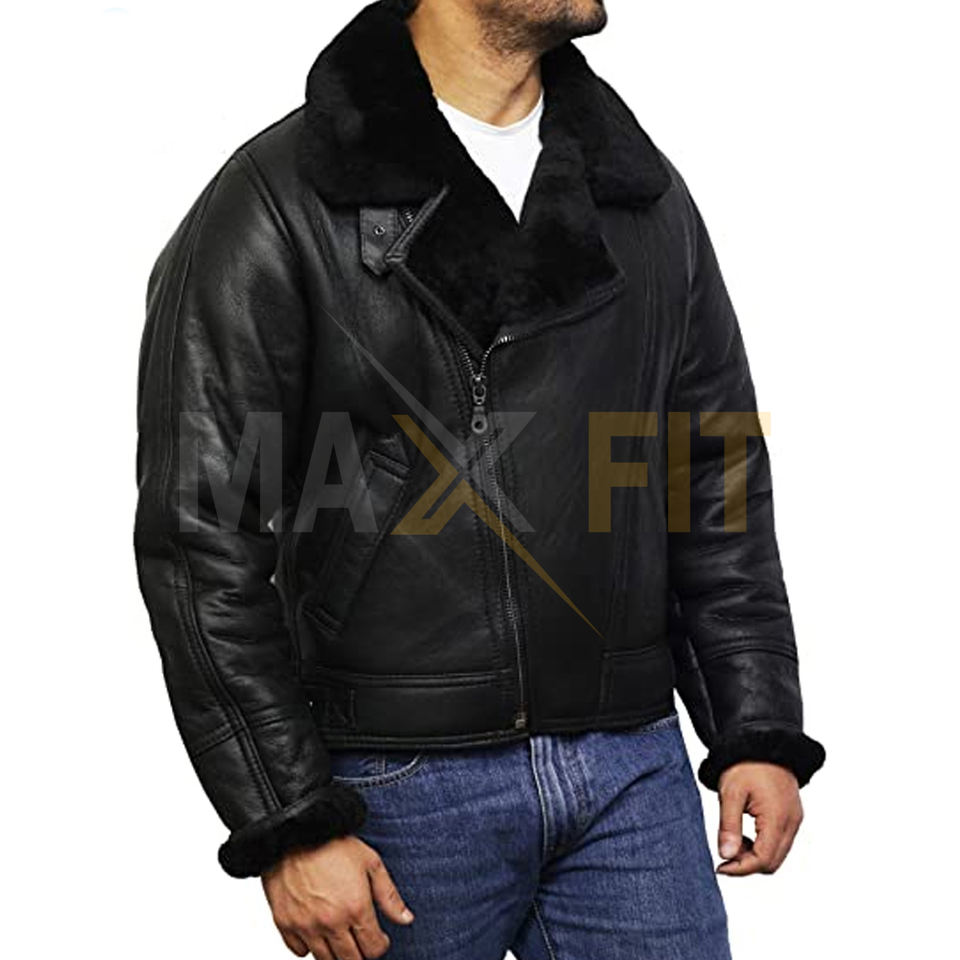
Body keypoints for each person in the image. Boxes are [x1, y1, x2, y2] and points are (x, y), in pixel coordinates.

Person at [134, 1, 826, 957]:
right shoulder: (281, 198)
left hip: (632, 770)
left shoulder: (639, 193)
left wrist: (754, 724)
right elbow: (199, 538)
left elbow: (715, 474)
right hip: (395, 780)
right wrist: (288, 817)